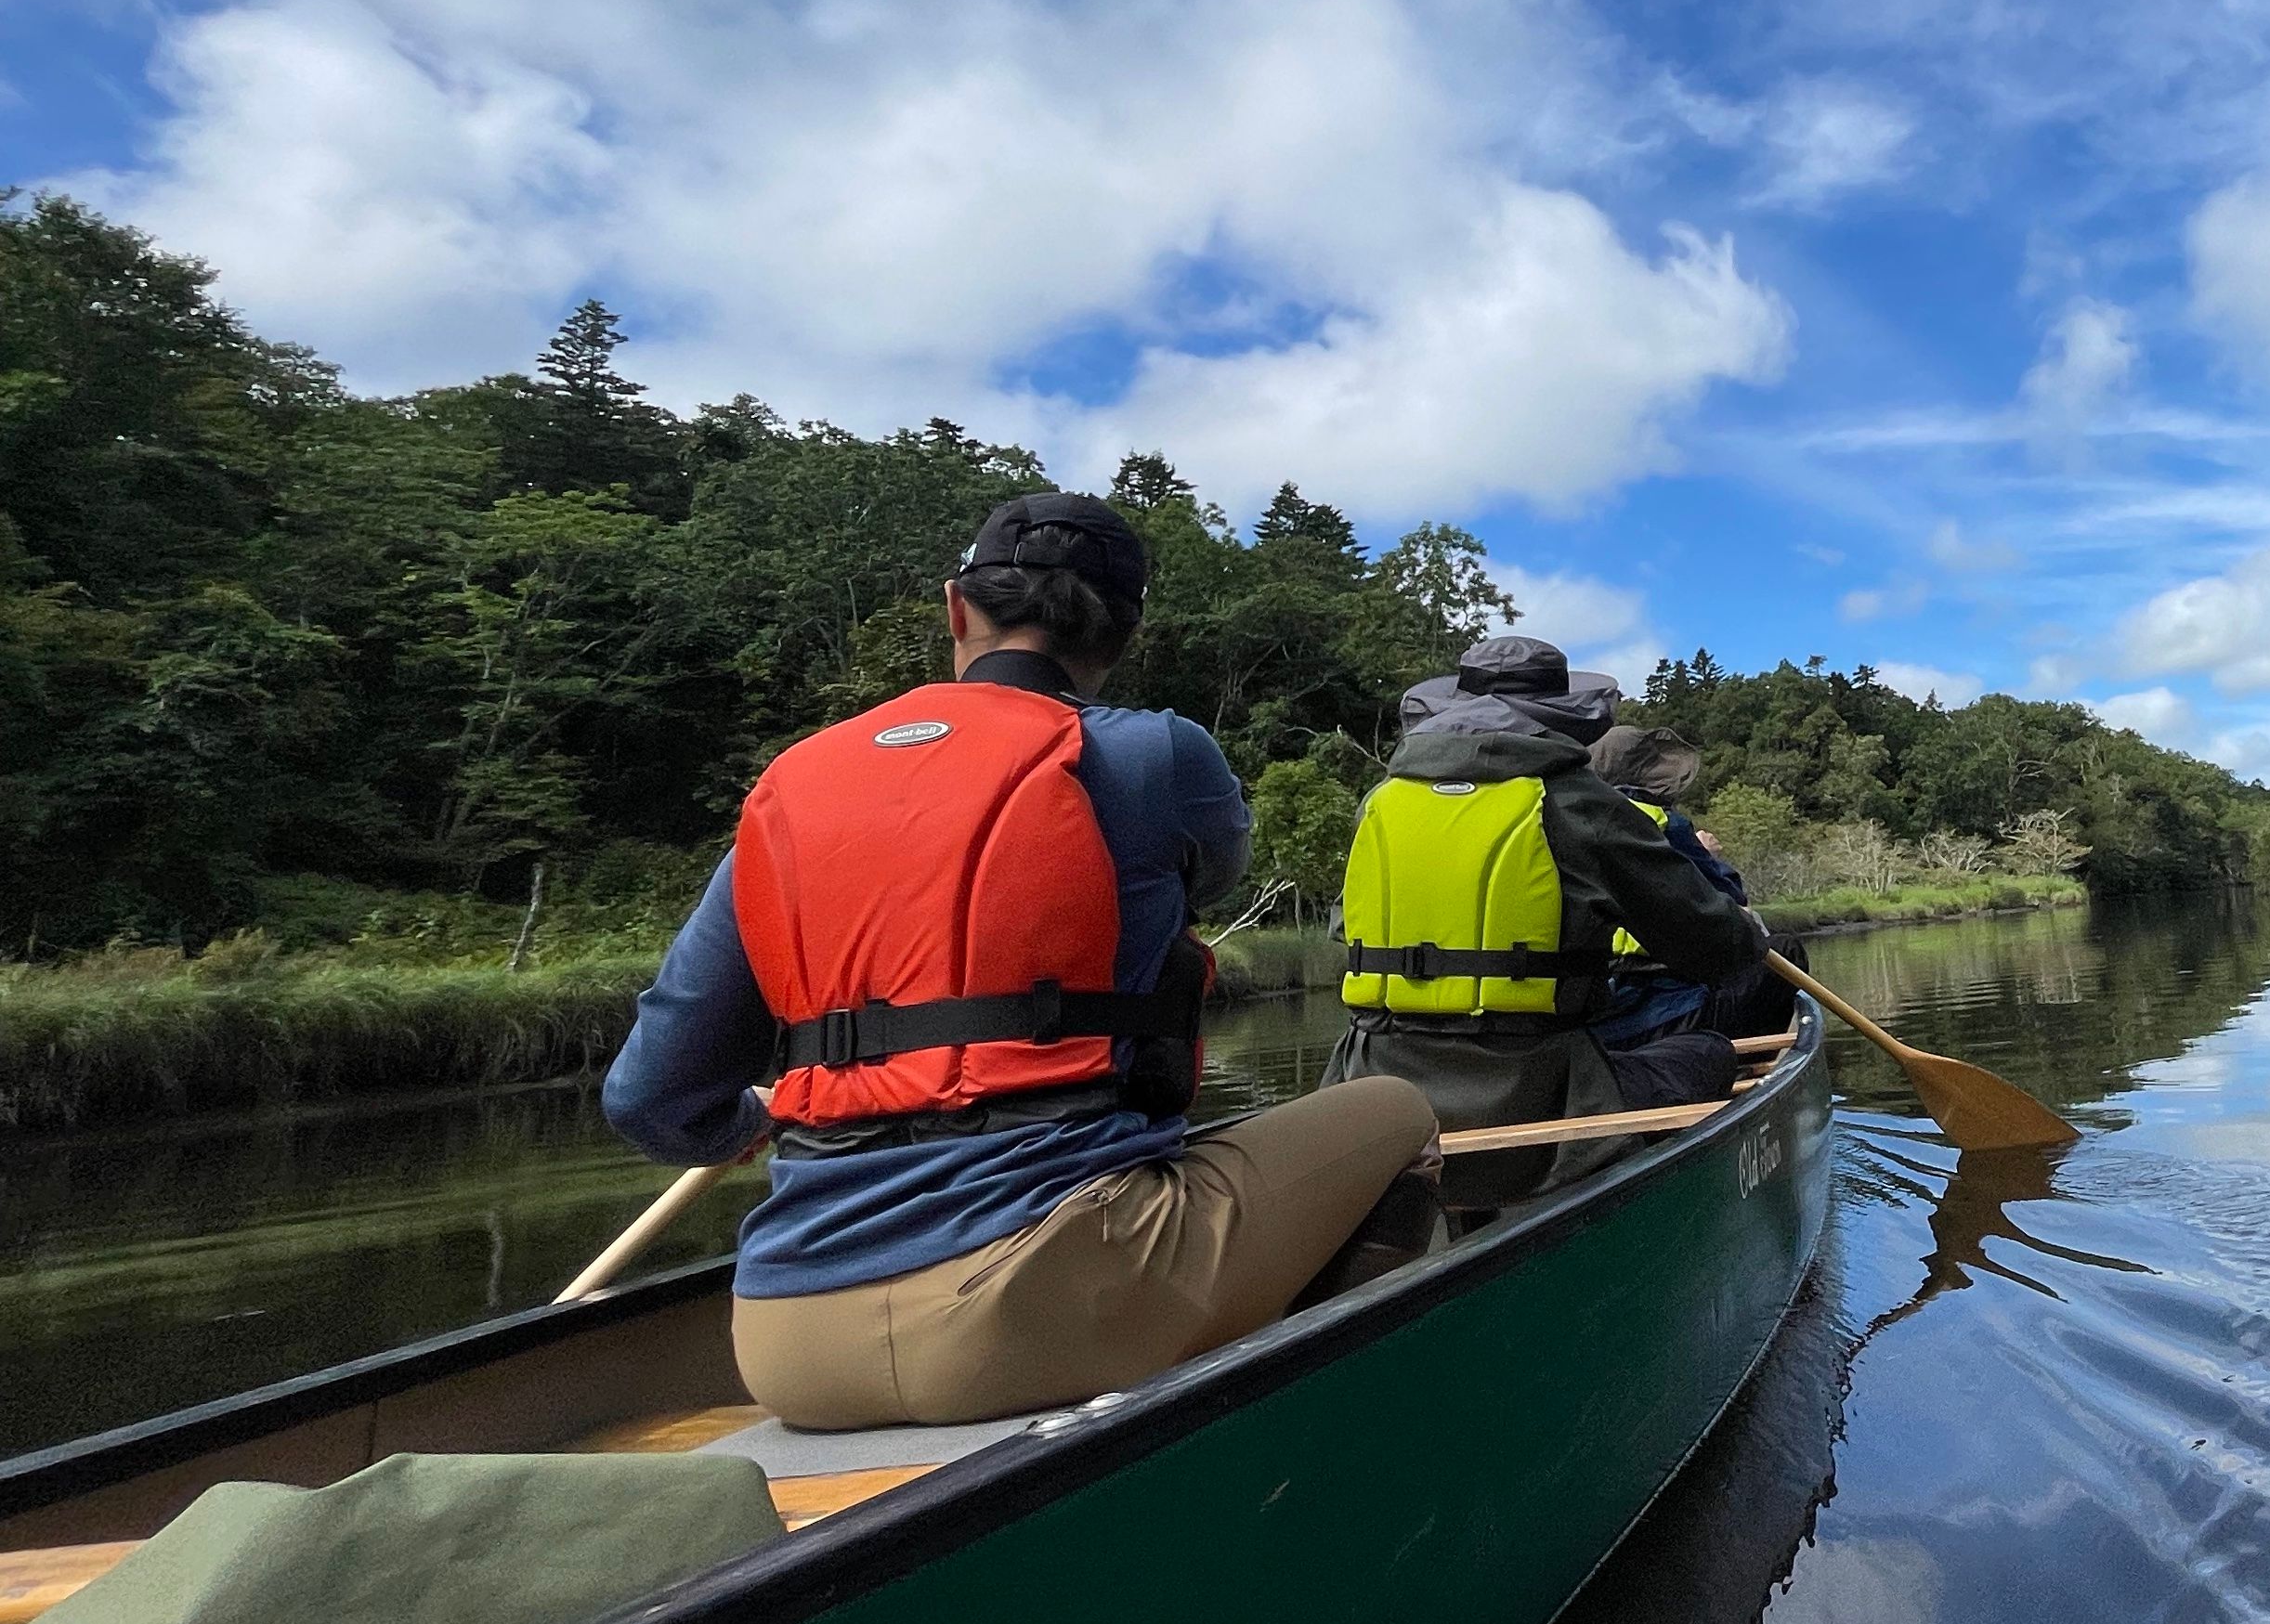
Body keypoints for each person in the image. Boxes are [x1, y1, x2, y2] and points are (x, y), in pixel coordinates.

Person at [605, 492, 1439, 1431]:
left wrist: (740, 1124)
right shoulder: (1157, 755)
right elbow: (1213, 869)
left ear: (955, 609)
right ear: (1123, 635)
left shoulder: (791, 786)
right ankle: (1326, 1423)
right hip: (1043, 1309)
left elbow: (649, 1100)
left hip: (787, 1345)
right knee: (1400, 1112)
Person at [1324, 638, 1769, 1206]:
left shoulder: (1380, 803)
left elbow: (1345, 928)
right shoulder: (1576, 802)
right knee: (1709, 1052)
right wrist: (1747, 928)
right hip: (1537, 1102)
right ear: (1561, 717)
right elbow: (1717, 949)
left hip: (1375, 1100)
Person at [1586, 721, 1798, 1053]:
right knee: (1785, 950)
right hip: (1675, 1014)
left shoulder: (1570, 824)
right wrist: (1708, 857)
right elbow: (1732, 901)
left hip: (1603, 1027)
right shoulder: (1665, 824)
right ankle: (1748, 1059)